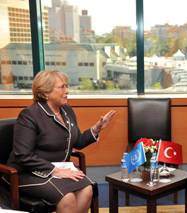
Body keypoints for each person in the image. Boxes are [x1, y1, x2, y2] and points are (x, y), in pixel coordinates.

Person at [6, 70, 116, 213]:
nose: (67, 91)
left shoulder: (66, 111)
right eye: (62, 87)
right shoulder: (29, 115)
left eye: (67, 86)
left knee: (87, 190)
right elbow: (23, 155)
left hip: (59, 171)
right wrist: (56, 170)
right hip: (26, 173)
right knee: (67, 198)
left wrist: (96, 129)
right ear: (45, 93)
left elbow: (77, 142)